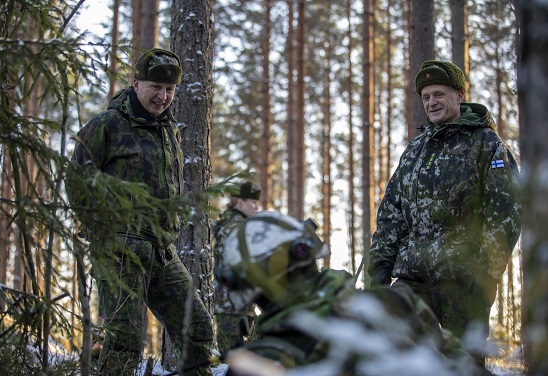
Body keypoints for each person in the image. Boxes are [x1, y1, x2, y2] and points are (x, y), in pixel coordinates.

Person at [68, 48, 213, 376]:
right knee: (126, 340)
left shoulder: (168, 130)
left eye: (170, 90)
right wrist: (100, 232)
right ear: (135, 83)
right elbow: (77, 179)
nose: (163, 97)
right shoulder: (108, 125)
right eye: (155, 88)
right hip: (120, 251)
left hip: (163, 252)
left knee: (198, 327)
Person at [368, 60, 522, 362]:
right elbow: (391, 214)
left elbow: (505, 212)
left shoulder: (486, 144)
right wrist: (380, 273)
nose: (431, 102)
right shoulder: (415, 150)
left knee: (462, 364)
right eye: (425, 97)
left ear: (459, 96)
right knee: (394, 360)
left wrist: (484, 275)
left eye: (438, 94)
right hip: (411, 280)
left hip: (462, 284)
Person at [214, 211, 490, 376]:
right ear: (308, 252)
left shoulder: (257, 364)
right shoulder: (395, 301)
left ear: (249, 288)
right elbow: (463, 367)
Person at [212, 182, 261, 353]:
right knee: (231, 358)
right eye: (252, 202)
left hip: (244, 303)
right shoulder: (231, 227)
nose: (256, 207)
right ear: (239, 202)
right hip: (230, 305)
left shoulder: (242, 226)